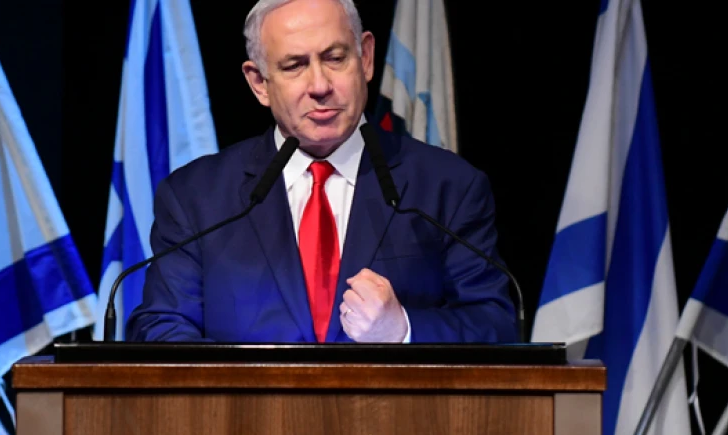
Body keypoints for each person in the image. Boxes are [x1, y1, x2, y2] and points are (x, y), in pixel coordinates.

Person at [126, 0, 515, 343]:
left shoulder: (448, 186)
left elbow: (495, 324)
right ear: (259, 83)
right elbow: (162, 326)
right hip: (244, 425)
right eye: (294, 66)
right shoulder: (196, 196)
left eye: (334, 58)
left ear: (365, 57)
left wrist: (404, 329)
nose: (319, 85)